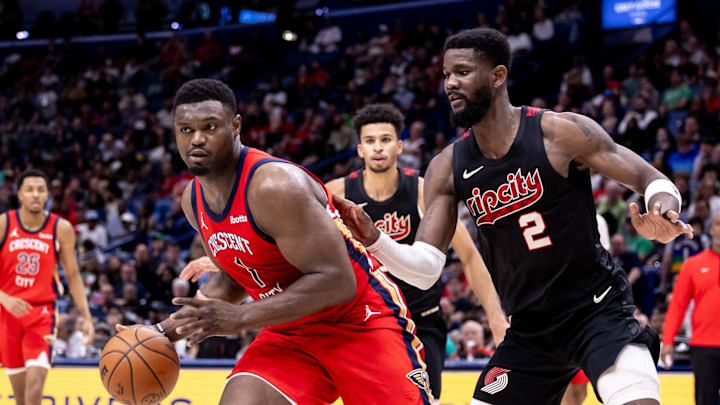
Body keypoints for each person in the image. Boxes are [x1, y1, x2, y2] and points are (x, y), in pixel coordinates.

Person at [334, 28, 693, 405]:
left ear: (498, 75)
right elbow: (426, 269)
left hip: (596, 310)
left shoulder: (559, 133)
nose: (450, 83)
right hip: (529, 330)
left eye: (462, 72)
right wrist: (376, 240)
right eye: (446, 75)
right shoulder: (447, 167)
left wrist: (663, 208)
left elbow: (649, 178)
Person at [119, 79, 432, 405]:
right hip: (290, 332)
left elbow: (339, 282)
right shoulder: (192, 200)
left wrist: (239, 317)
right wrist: (160, 333)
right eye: (186, 130)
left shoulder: (274, 186)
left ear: (235, 126)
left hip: (359, 321)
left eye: (209, 127)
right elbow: (234, 277)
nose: (196, 138)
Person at [325, 103, 509, 402]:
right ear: (360, 149)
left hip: (420, 319)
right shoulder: (337, 193)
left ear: (399, 146)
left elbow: (469, 256)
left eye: (385, 140)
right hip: (364, 319)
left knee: (425, 399)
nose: (378, 147)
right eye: (370, 141)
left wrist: (496, 319)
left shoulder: (423, 191)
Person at [0, 169, 95, 405]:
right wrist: (5, 298)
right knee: (20, 397)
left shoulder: (61, 228)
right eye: (30, 190)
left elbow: (73, 275)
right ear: (20, 194)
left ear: (47, 195)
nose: (35, 194)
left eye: (40, 190)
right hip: (7, 315)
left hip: (42, 315)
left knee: (35, 387)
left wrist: (86, 317)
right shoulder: (4, 224)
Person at [661, 212, 720, 405]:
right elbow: (678, 305)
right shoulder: (692, 265)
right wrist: (668, 341)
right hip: (703, 346)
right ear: (711, 229)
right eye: (718, 224)